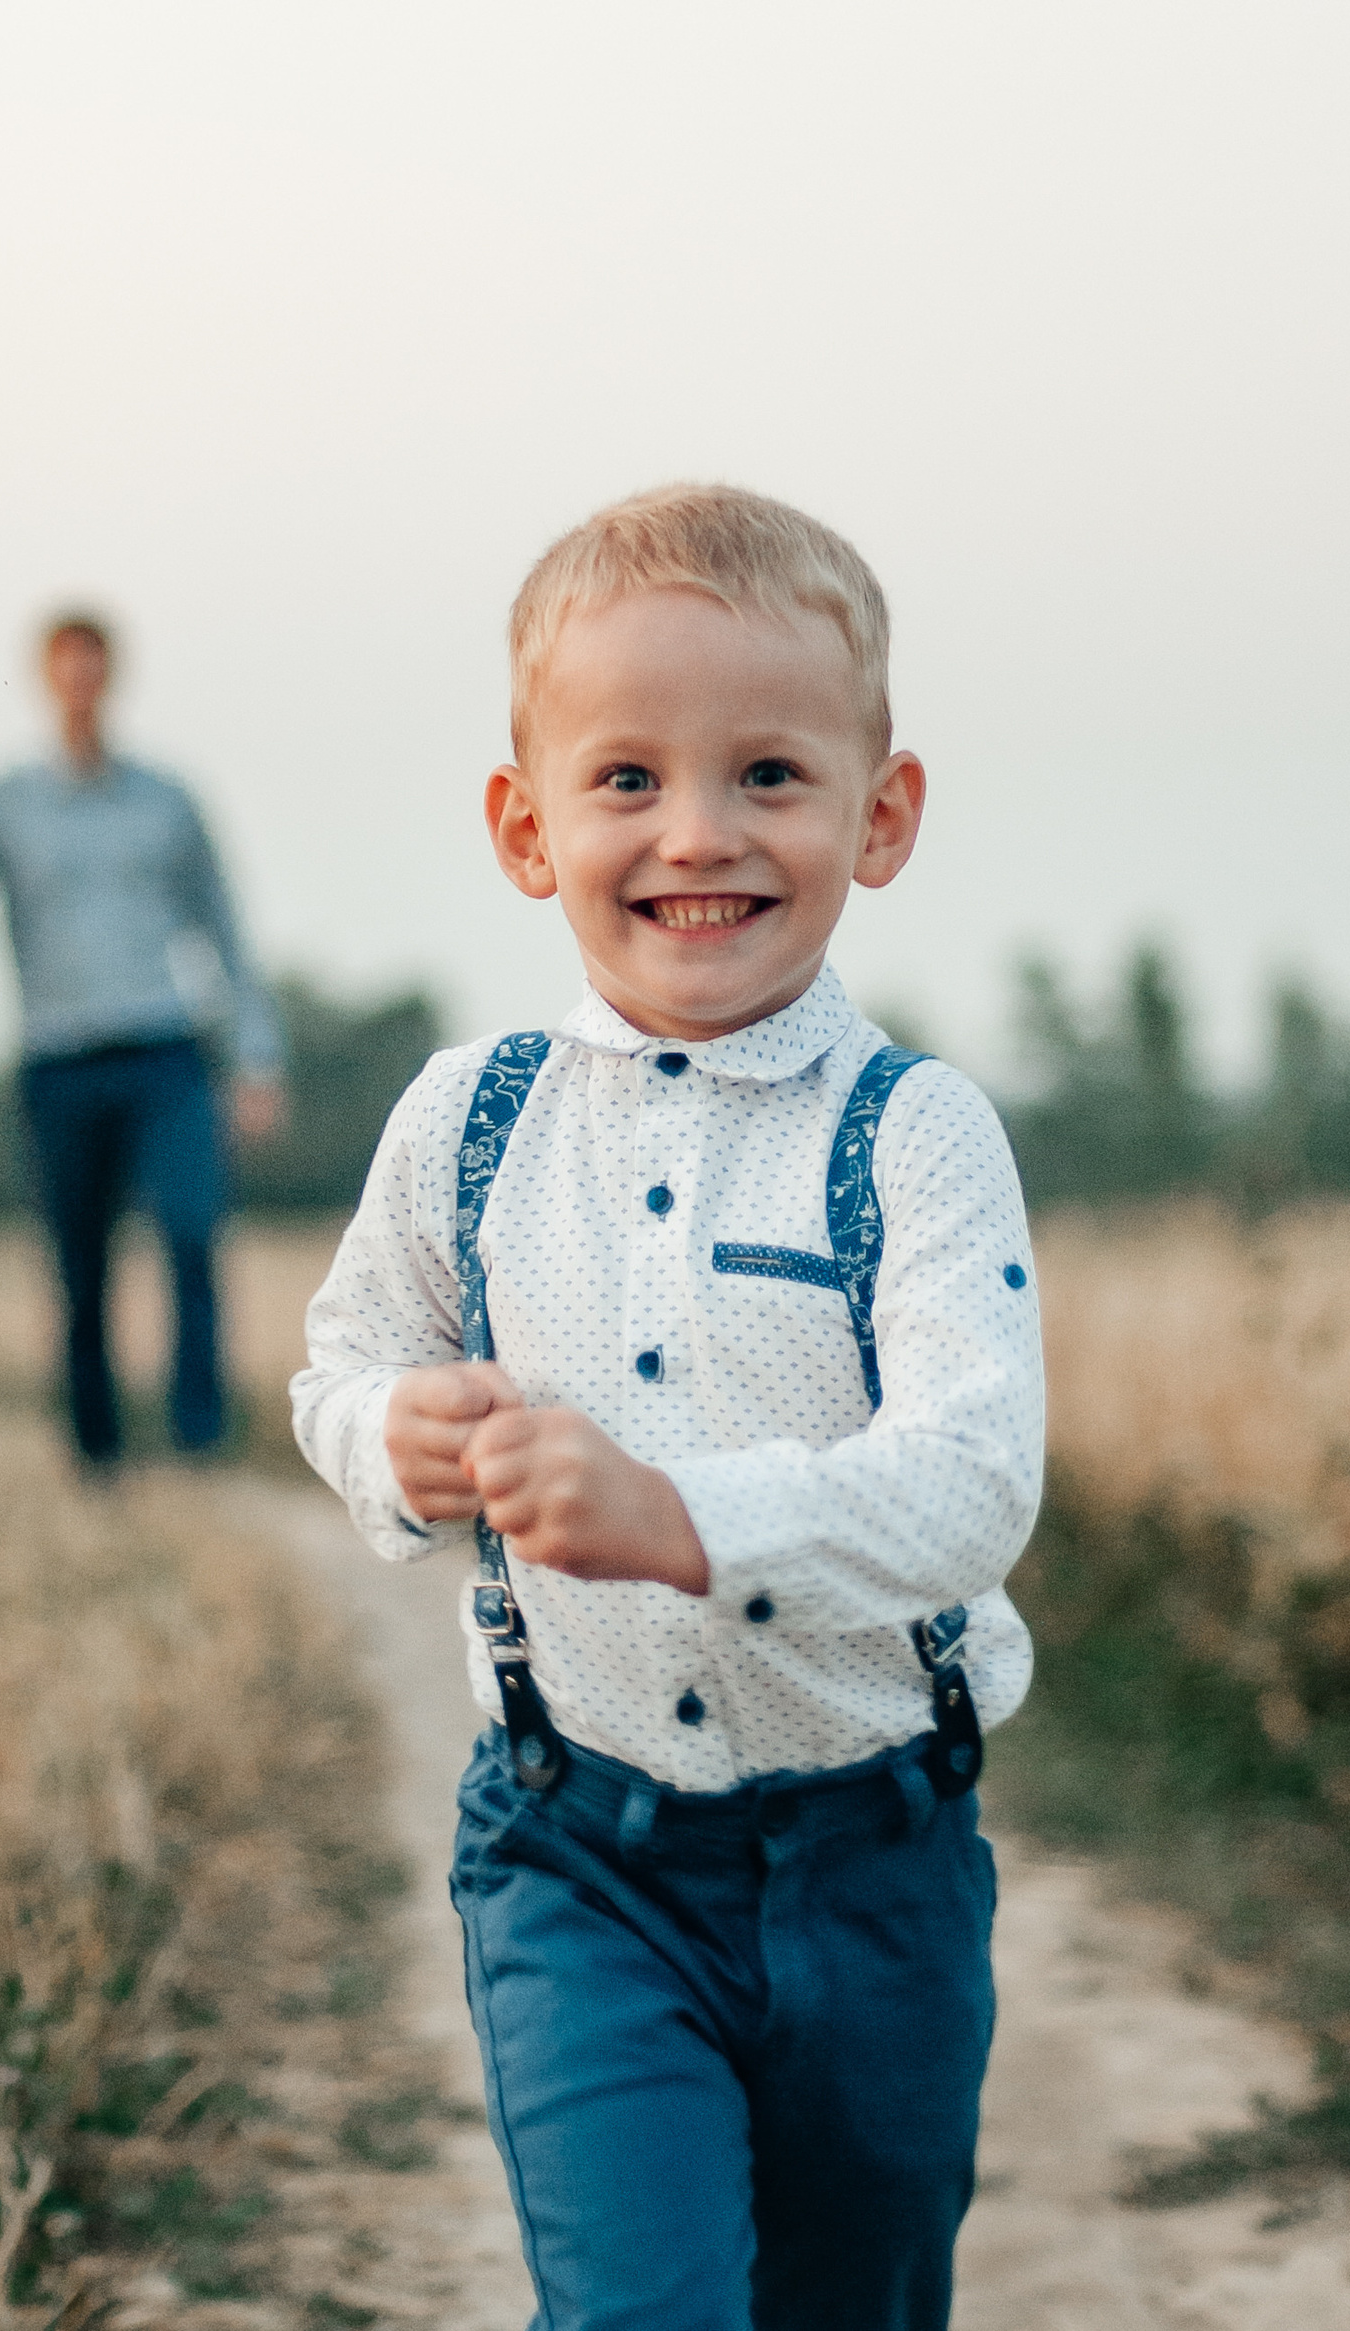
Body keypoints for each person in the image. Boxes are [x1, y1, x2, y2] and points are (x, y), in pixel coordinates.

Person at [291, 485, 1044, 2331]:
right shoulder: (469, 1121)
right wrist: (390, 1437)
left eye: (769, 775)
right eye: (626, 778)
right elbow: (340, 1358)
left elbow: (968, 1483)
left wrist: (677, 1515)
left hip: (876, 1866)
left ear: (883, 816)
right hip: (580, 1861)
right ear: (523, 826)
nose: (696, 834)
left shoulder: (914, 1134)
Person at [0, 611, 286, 1468]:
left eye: (92, 667)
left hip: (165, 1047)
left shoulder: (169, 799)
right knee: (80, 1261)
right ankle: (95, 1448)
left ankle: (200, 1437)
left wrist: (256, 1056)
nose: (79, 683)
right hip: (57, 1061)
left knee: (189, 1230)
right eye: (64, 668)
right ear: (44, 678)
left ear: (111, 675)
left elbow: (226, 929)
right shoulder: (2, 804)